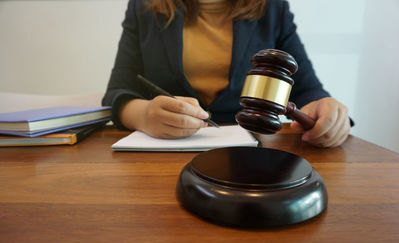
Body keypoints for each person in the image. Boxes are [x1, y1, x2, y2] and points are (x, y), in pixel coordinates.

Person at [102, 0, 351, 147]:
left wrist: (326, 109)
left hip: (250, 156)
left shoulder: (272, 8)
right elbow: (117, 92)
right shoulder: (143, 6)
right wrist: (144, 116)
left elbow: (308, 89)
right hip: (165, 154)